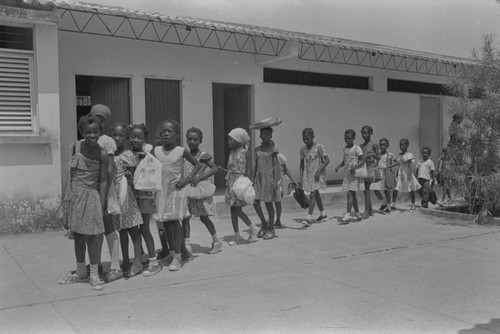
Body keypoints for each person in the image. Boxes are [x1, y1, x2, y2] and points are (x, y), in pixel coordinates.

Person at [58, 115, 108, 291]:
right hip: (75, 196)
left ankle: (94, 273)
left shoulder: (102, 153)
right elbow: (69, 173)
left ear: (100, 132)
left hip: (91, 197)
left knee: (92, 236)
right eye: (88, 132)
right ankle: (80, 272)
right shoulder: (75, 147)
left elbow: (103, 181)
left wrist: (102, 204)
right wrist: (66, 195)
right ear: (82, 132)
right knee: (78, 235)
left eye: (95, 132)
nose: (92, 135)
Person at [153, 120, 202, 271]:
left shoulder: (181, 151)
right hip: (161, 191)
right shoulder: (156, 151)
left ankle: (178, 257)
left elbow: (198, 164)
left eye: (170, 131)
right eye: (163, 131)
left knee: (174, 223)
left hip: (176, 190)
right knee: (166, 223)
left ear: (177, 134)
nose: (166, 134)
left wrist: (187, 178)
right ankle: (175, 252)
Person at [87, 104, 122, 282]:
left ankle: (115, 266)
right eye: (94, 117)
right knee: (94, 228)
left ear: (105, 122)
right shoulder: (88, 139)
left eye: (101, 119)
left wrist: (104, 195)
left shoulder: (107, 141)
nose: (97, 122)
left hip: (104, 189)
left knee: (108, 225)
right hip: (91, 188)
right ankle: (97, 263)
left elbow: (108, 171)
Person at [182, 127, 223, 255]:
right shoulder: (186, 155)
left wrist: (200, 177)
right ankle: (187, 245)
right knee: (185, 217)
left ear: (200, 140)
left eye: (195, 139)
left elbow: (215, 169)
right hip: (188, 190)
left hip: (200, 190)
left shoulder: (203, 155)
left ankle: (216, 240)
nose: (192, 142)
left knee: (204, 217)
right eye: (190, 139)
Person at [110, 122, 144, 277]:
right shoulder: (110, 154)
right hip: (114, 195)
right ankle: (125, 260)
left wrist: (129, 177)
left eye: (120, 135)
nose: (117, 138)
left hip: (126, 195)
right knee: (122, 229)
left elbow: (132, 177)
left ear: (126, 138)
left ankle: (137, 261)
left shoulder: (128, 155)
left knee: (132, 229)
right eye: (114, 135)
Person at [129, 124, 162, 276]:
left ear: (145, 139)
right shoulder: (128, 153)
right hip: (133, 196)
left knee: (144, 229)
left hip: (145, 197)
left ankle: (154, 262)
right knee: (135, 229)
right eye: (133, 136)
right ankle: (142, 257)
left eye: (139, 137)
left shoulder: (147, 153)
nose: (135, 139)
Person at [219, 128, 258, 245]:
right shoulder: (231, 153)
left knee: (238, 210)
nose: (229, 142)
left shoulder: (245, 152)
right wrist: (223, 170)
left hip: (239, 183)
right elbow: (231, 169)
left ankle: (252, 229)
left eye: (231, 139)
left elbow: (249, 169)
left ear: (238, 140)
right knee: (232, 210)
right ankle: (236, 235)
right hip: (230, 182)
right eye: (228, 139)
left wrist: (249, 184)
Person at [253, 127, 281, 240]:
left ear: (271, 136)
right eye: (263, 134)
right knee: (255, 202)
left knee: (269, 203)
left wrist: (275, 180)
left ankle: (271, 229)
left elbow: (275, 166)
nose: (265, 136)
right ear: (260, 135)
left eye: (268, 134)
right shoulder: (256, 150)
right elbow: (255, 166)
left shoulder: (273, 149)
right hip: (259, 178)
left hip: (269, 178)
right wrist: (251, 180)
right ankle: (264, 223)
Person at [299, 128, 330, 226]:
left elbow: (327, 160)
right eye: (304, 138)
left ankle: (308, 218)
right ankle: (323, 213)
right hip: (309, 175)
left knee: (313, 194)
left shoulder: (319, 147)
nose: (305, 140)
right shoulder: (303, 149)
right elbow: (301, 165)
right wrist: (301, 178)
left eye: (307, 138)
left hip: (317, 175)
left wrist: (319, 171)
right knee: (316, 195)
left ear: (312, 137)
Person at [335, 129, 364, 223]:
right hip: (347, 174)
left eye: (349, 138)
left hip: (354, 174)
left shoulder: (357, 148)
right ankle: (358, 214)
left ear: (353, 138)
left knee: (350, 193)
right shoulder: (344, 149)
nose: (347, 140)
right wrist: (339, 166)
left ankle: (347, 214)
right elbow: (345, 160)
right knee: (353, 194)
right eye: (345, 138)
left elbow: (363, 160)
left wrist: (355, 166)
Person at [389, 138, 421, 211]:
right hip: (400, 173)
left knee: (411, 188)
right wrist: (392, 158)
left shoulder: (409, 155)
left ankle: (413, 204)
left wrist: (409, 174)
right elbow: (398, 163)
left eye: (403, 145)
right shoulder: (400, 155)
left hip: (407, 173)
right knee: (396, 188)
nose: (401, 147)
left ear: (407, 145)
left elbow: (409, 165)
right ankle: (393, 203)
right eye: (400, 145)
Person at [359, 125, 380, 219]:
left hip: (370, 167)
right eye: (362, 133)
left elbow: (378, 157)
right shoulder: (361, 146)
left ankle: (366, 211)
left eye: (366, 133)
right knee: (365, 189)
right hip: (363, 167)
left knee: (367, 189)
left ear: (370, 133)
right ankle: (370, 210)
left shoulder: (374, 145)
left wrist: (372, 154)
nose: (364, 135)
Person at [275, 153, 298, 229]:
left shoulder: (279, 158)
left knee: (278, 202)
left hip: (279, 183)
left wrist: (295, 181)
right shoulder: (265, 158)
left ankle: (278, 220)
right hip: (270, 183)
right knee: (270, 202)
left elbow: (286, 170)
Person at [372, 138, 395, 213]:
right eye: (381, 145)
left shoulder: (390, 155)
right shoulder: (377, 155)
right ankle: (383, 203)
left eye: (384, 145)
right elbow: (376, 163)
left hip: (386, 174)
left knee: (386, 191)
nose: (382, 146)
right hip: (379, 174)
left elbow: (398, 162)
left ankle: (388, 207)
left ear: (387, 145)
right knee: (375, 189)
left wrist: (389, 167)